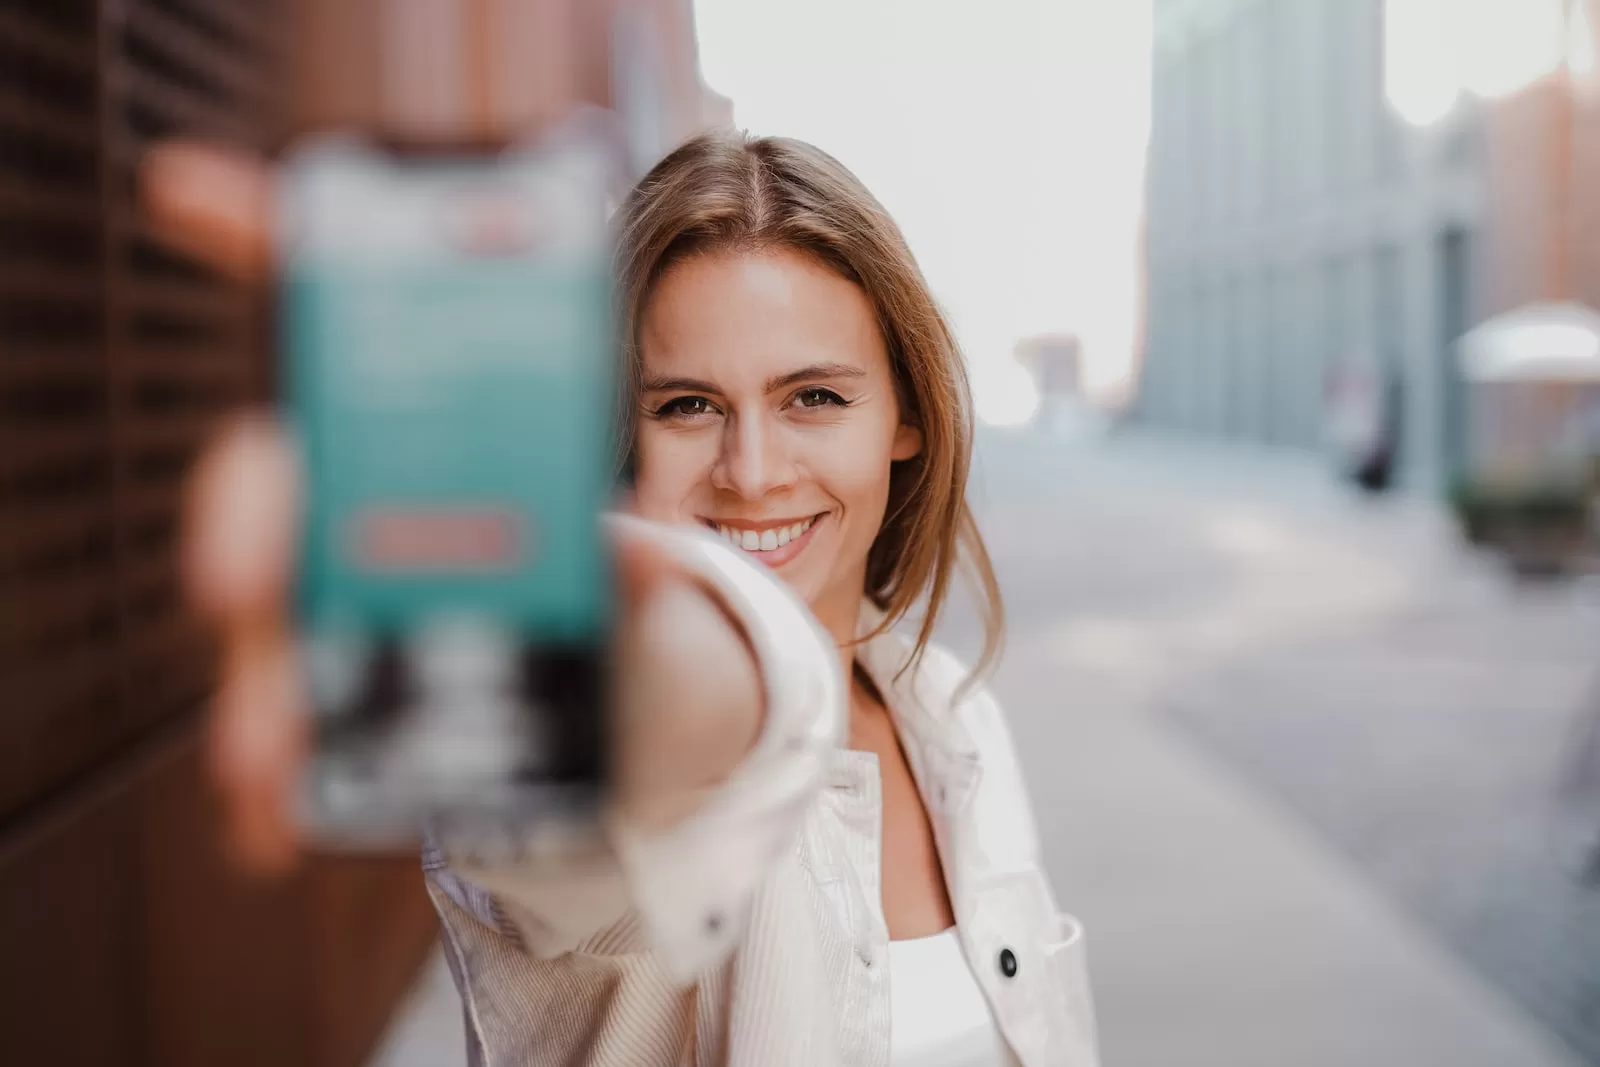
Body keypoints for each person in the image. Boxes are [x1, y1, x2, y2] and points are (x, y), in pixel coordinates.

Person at [158, 129, 1098, 1067]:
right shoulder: (627, 725)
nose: (753, 472)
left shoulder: (957, 716)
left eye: (813, 396)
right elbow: (687, 704)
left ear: (908, 418)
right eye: (686, 405)